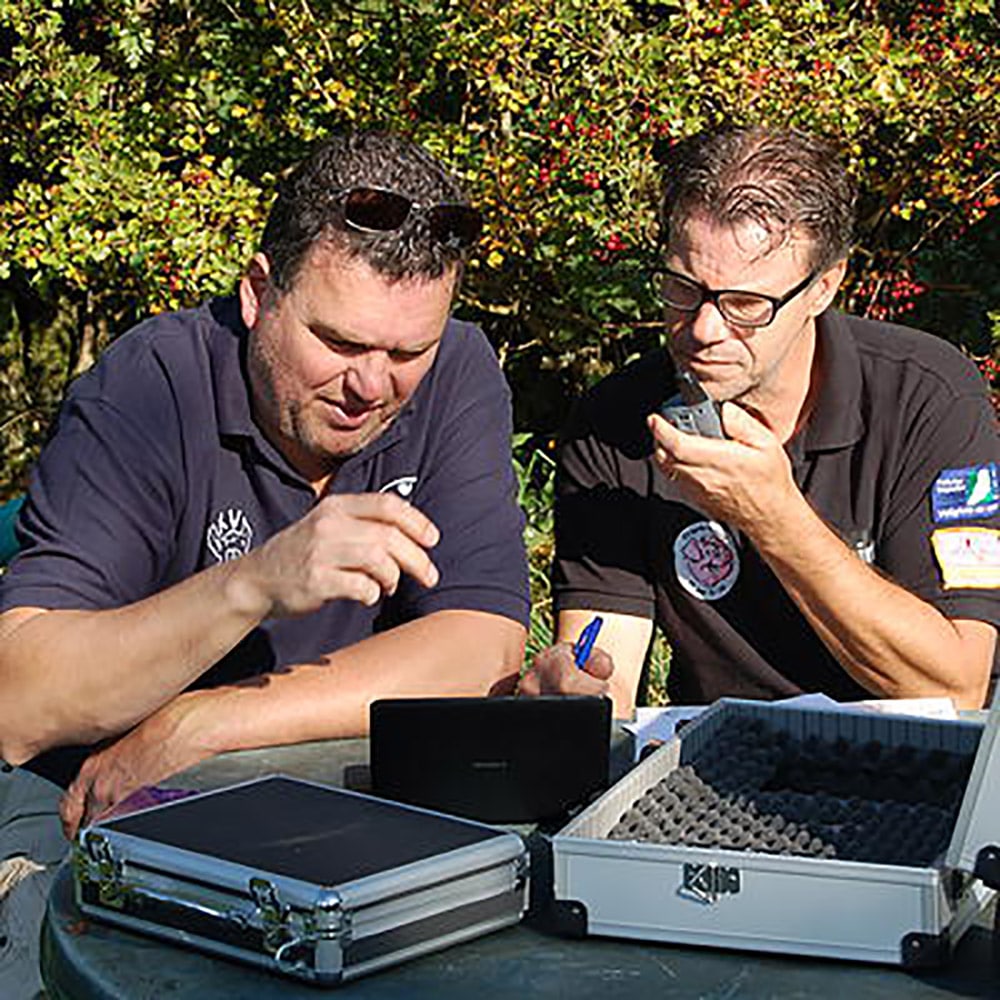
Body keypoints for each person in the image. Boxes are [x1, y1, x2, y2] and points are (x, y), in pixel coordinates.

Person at [0, 131, 528, 996]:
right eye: (338, 342)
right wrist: (254, 584)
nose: (371, 386)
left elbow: (481, 644)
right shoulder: (151, 384)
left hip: (320, 799)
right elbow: (19, 703)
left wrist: (204, 723)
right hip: (82, 806)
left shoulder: (459, 370)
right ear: (258, 293)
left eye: (406, 354)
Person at [520, 125, 1000, 719]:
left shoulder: (927, 396)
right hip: (715, 759)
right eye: (681, 288)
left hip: (912, 758)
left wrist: (774, 516)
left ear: (824, 287)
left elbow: (956, 687)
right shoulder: (616, 421)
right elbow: (606, 668)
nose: (703, 329)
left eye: (746, 304)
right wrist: (575, 694)